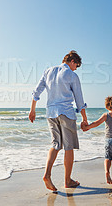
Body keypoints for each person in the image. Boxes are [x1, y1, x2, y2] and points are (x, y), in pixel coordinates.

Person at [29, 50, 88, 191]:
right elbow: (79, 100)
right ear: (72, 61)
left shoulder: (48, 71)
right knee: (69, 147)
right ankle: (67, 181)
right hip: (66, 113)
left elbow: (37, 92)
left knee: (55, 144)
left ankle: (47, 175)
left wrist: (32, 110)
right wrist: (85, 119)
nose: (76, 68)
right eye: (76, 65)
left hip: (50, 113)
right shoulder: (72, 75)